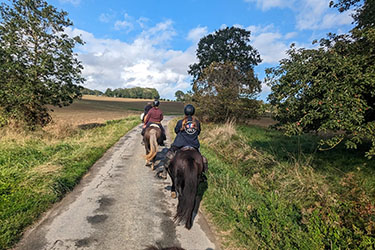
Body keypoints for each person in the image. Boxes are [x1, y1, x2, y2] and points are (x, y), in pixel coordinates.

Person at [158, 104, 208, 179]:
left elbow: (176, 131)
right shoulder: (197, 123)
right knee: (203, 159)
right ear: (193, 112)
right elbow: (198, 132)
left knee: (169, 155)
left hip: (180, 144)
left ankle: (164, 172)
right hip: (193, 145)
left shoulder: (180, 122)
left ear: (185, 112)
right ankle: (202, 175)